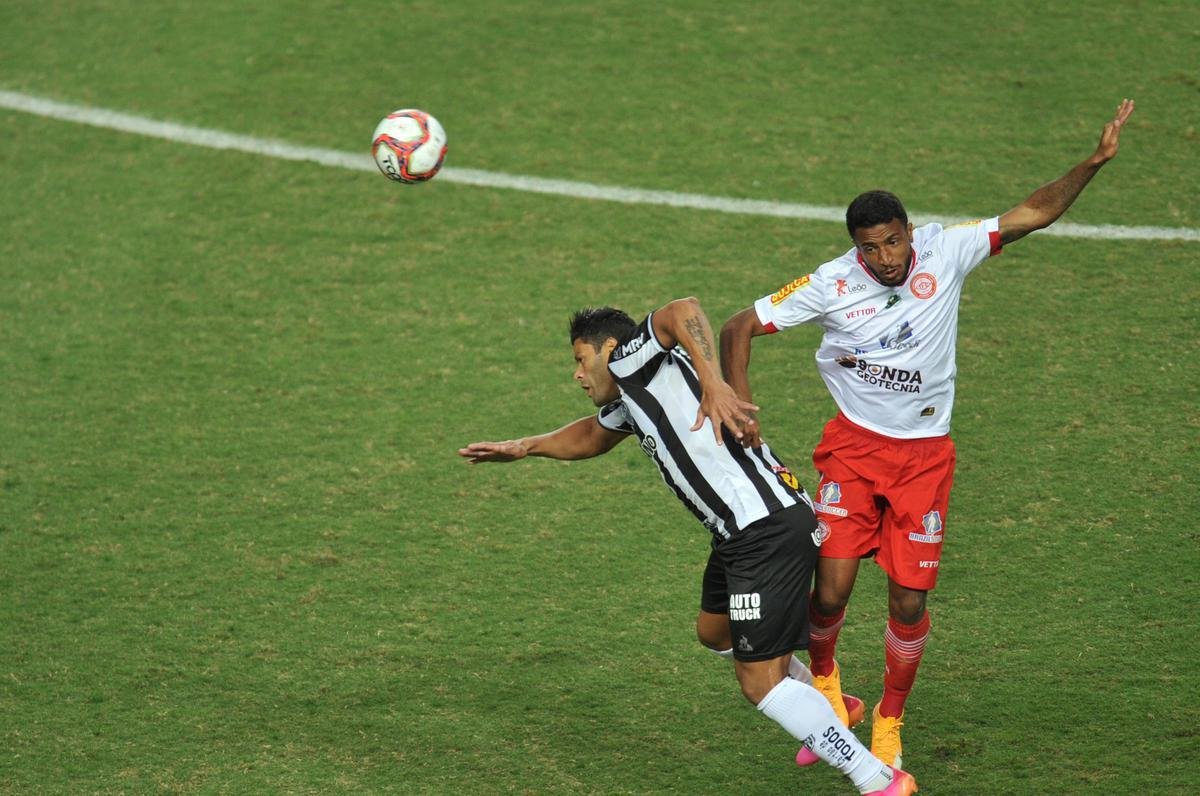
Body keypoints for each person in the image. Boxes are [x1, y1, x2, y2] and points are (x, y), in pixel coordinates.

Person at [719, 99, 1136, 769]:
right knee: (829, 590)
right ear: (855, 247)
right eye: (870, 248)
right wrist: (737, 401)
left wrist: (1090, 162)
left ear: (909, 231)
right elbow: (739, 324)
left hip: (923, 460)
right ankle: (826, 688)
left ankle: (889, 716)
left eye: (893, 242)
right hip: (853, 451)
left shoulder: (948, 248)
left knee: (909, 600)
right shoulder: (829, 284)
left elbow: (1032, 212)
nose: (885, 258)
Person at [459, 297, 917, 795]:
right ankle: (828, 707)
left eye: (579, 359)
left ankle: (877, 778)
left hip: (762, 530)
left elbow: (682, 310)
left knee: (760, 683)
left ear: (609, 348)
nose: (578, 374)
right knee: (714, 631)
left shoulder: (631, 358)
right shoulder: (635, 395)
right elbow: (592, 435)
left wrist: (716, 382)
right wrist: (525, 447)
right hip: (739, 534)